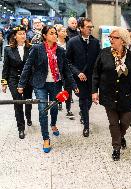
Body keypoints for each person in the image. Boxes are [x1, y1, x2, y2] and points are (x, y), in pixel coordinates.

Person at [18, 25, 79, 153]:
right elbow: (28, 66)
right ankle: (46, 138)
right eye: (51, 33)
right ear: (45, 36)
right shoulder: (37, 49)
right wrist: (21, 84)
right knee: (42, 110)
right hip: (40, 84)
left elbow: (66, 70)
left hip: (56, 84)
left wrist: (74, 86)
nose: (55, 35)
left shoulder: (61, 51)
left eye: (55, 33)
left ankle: (53, 124)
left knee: (54, 107)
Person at [92, 27, 131, 161]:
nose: (111, 39)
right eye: (110, 37)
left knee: (125, 122)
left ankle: (120, 136)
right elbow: (96, 74)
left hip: (126, 97)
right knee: (113, 123)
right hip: (108, 95)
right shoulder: (104, 53)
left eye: (115, 37)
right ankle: (116, 147)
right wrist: (94, 92)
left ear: (124, 41)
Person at [66, 18, 100, 137]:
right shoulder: (72, 42)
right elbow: (68, 61)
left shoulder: (96, 42)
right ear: (80, 28)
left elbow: (98, 61)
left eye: (91, 27)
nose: (90, 29)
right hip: (79, 78)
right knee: (83, 100)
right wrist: (77, 72)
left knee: (89, 101)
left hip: (92, 78)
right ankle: (86, 126)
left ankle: (83, 113)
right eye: (88, 27)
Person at [1, 25, 33, 139]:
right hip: (13, 79)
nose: (23, 35)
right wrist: (3, 83)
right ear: (15, 36)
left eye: (24, 33)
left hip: (28, 79)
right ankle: (21, 127)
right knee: (18, 102)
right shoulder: (8, 49)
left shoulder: (31, 47)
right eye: (20, 33)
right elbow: (5, 68)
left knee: (28, 100)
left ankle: (28, 117)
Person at [54, 24, 74, 119]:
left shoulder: (69, 43)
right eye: (62, 31)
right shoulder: (54, 43)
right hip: (56, 70)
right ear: (57, 32)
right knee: (57, 89)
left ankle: (68, 108)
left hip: (67, 70)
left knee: (68, 89)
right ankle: (59, 103)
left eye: (66, 31)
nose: (65, 33)